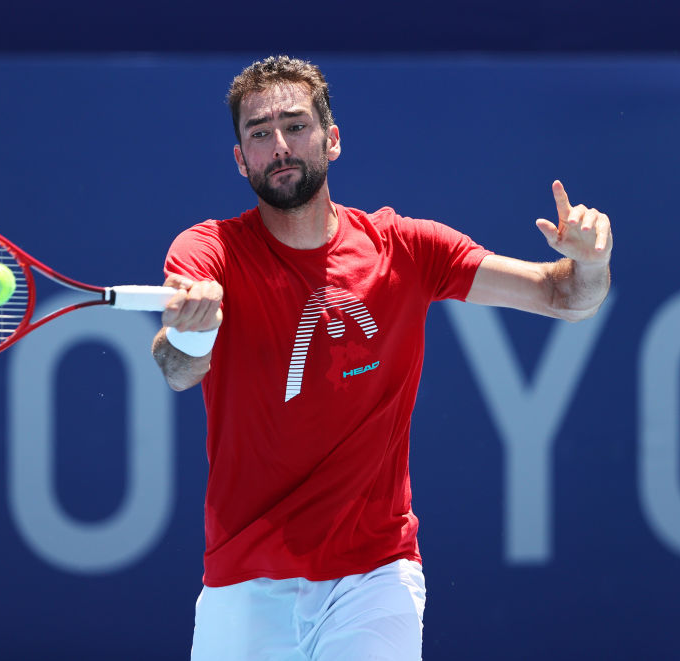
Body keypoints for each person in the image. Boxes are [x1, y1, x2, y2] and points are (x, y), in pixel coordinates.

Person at [151, 55, 612, 661]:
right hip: (243, 580)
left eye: (296, 125)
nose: (280, 145)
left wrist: (592, 263)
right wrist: (192, 333)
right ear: (241, 159)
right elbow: (177, 369)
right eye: (259, 133)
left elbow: (564, 296)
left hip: (374, 576)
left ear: (332, 140)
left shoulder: (408, 249)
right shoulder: (207, 250)